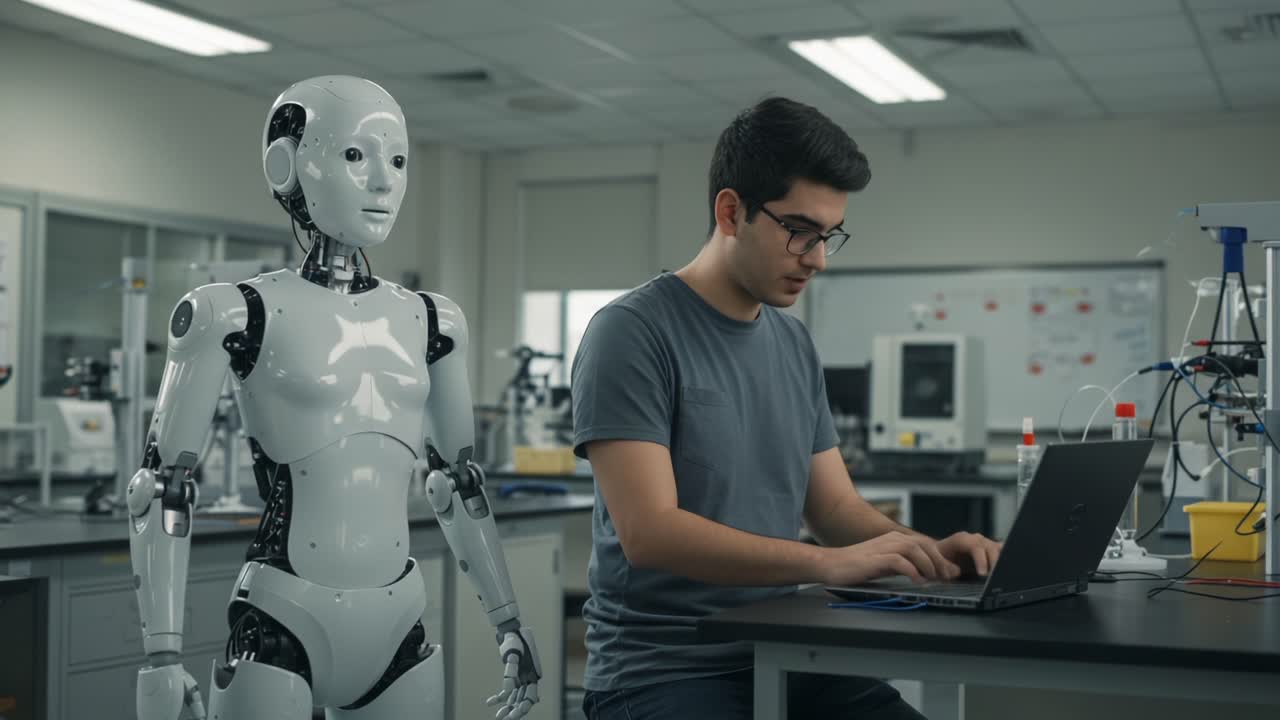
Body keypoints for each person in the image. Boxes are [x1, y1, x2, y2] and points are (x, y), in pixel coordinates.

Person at [570, 97, 1002, 720]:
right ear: (730, 210)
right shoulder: (632, 331)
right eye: (800, 230)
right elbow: (650, 533)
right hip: (664, 670)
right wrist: (830, 563)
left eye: (828, 236)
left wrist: (928, 554)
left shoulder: (792, 342)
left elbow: (833, 508)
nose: (818, 257)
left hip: (787, 651)